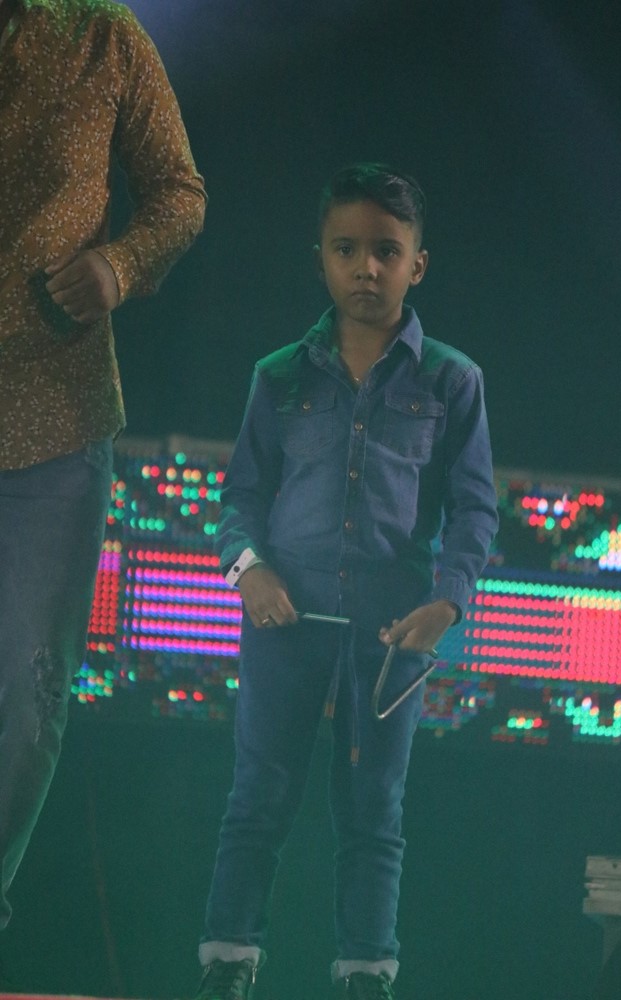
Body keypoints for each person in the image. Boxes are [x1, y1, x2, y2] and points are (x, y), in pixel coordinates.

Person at [197, 162, 497, 1000]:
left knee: (373, 813)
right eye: (346, 249)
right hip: (285, 621)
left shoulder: (451, 381)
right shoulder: (278, 376)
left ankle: (367, 975)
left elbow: (475, 509)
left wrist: (447, 602)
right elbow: (239, 500)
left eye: (385, 251)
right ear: (321, 259)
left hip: (391, 634)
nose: (366, 267)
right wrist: (249, 571)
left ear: (416, 264)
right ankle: (227, 966)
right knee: (257, 799)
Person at [0, 0, 206, 962]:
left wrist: (119, 266)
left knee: (28, 693)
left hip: (55, 418)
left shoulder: (103, 34)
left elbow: (179, 193)